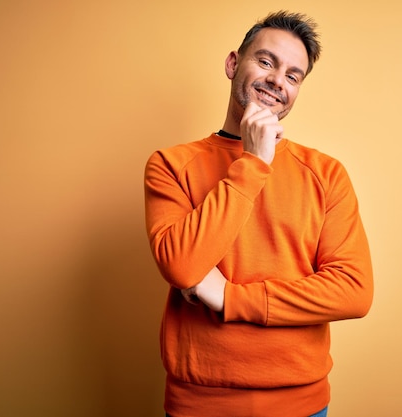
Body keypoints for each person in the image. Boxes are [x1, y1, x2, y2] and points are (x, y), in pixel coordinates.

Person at [144, 10, 373, 417]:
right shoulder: (169, 164)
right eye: (266, 62)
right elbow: (182, 267)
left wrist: (230, 297)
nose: (276, 80)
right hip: (199, 405)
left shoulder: (326, 174)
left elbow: (353, 292)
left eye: (292, 75)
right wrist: (253, 162)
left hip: (302, 406)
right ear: (234, 64)